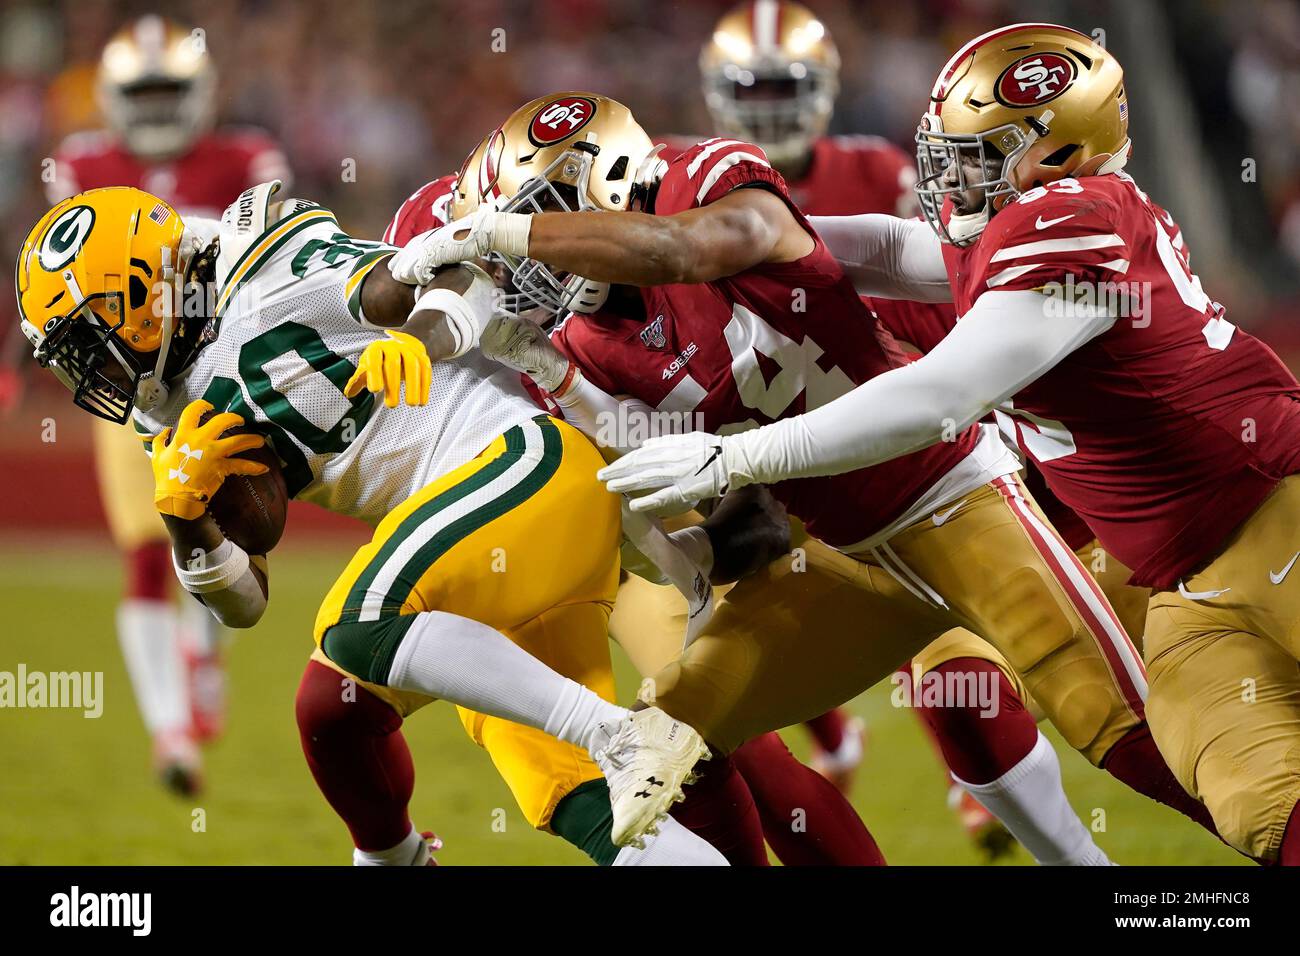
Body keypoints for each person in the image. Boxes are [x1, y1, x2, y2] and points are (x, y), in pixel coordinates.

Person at [395, 89, 1222, 863]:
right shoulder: (577, 343)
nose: (529, 254)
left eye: (537, 218)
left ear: (603, 181)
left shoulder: (701, 184)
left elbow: (686, 250)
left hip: (947, 491)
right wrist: (548, 369)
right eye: (518, 229)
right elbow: (669, 490)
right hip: (831, 554)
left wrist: (493, 236)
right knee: (666, 741)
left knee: (1119, 726)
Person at [600, 22, 1300, 865]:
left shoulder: (1074, 214)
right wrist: (739, 238)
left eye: (979, 153)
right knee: (1259, 807)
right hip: (1186, 585)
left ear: (1062, 150)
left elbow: (942, 393)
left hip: (1272, 508)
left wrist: (737, 457)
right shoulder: (1028, 221)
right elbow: (892, 249)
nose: (951, 175)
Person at [15, 181, 721, 864]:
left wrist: (416, 338)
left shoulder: (267, 273)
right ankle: (395, 857)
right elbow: (245, 605)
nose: (91, 372)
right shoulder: (161, 407)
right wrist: (186, 522)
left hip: (524, 464)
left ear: (140, 295)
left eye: (91, 339)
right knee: (341, 713)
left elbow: (463, 276)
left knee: (356, 626)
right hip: (477, 554)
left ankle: (622, 736)